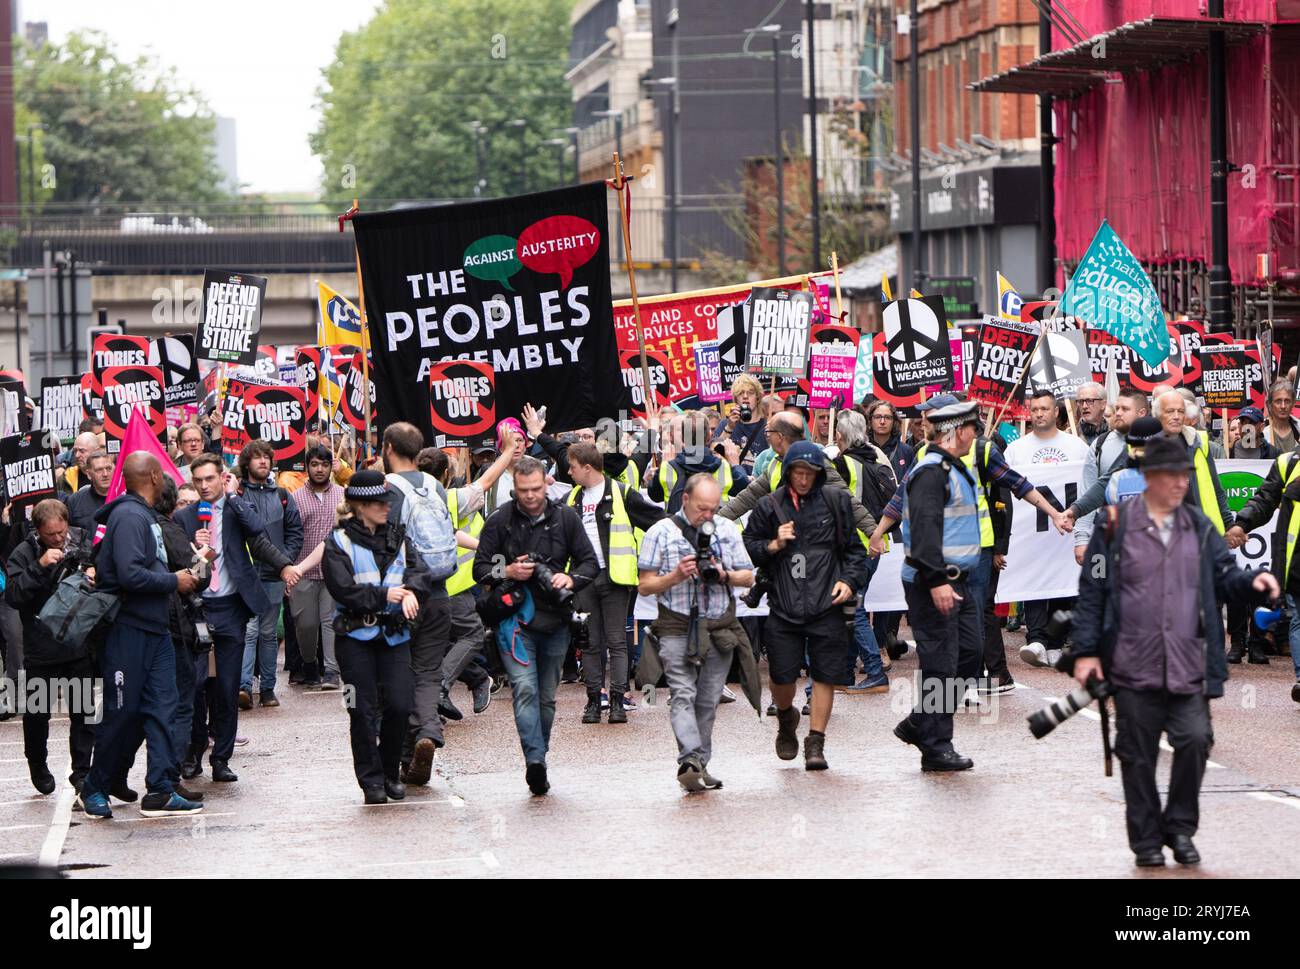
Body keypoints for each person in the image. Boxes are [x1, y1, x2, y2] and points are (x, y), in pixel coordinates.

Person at [1073, 435, 1278, 867]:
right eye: (1173, 476)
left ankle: (1180, 828)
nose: (1182, 484)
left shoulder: (1199, 526)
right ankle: (1146, 840)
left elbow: (1223, 577)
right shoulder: (1114, 525)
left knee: (1196, 738)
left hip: (1188, 659)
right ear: (1150, 478)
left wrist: (1253, 583)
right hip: (1131, 660)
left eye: (1185, 475)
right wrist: (1087, 652)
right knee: (1137, 752)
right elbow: (1092, 591)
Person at [78, 453, 204, 820]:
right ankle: (95, 787)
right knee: (122, 713)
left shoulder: (144, 516)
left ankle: (161, 791)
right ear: (151, 476)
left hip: (156, 632)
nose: (166, 480)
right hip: (129, 632)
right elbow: (130, 575)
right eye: (161, 474)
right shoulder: (130, 517)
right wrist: (173, 581)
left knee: (164, 709)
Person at [472, 455, 598, 796]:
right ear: (514, 488)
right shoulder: (500, 520)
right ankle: (535, 763)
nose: (530, 496)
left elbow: (590, 562)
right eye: (523, 490)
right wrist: (508, 572)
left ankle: (539, 754)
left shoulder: (566, 518)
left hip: (556, 620)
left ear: (547, 484)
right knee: (524, 691)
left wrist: (569, 579)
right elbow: (479, 568)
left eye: (536, 489)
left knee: (546, 697)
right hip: (514, 620)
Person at [744, 441, 869, 770]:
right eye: (797, 473)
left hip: (826, 604)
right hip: (783, 607)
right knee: (782, 679)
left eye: (809, 473)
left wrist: (849, 580)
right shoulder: (769, 506)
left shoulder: (836, 501)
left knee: (825, 675)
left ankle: (816, 743)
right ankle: (786, 718)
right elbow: (750, 545)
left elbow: (856, 552)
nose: (803, 479)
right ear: (787, 473)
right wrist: (773, 543)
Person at [177, 454, 294, 783]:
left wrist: (231, 496)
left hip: (231, 607)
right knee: (197, 684)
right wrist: (195, 551)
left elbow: (258, 532)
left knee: (227, 687)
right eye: (198, 480)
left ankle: (222, 758)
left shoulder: (235, 507)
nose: (203, 486)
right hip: (198, 608)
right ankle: (195, 748)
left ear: (221, 477)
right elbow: (183, 567)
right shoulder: (185, 517)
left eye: (209, 479)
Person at [323, 471, 434, 804]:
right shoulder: (338, 542)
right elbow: (344, 589)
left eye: (386, 502)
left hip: (394, 637)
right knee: (361, 709)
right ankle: (370, 780)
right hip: (355, 638)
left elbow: (419, 572)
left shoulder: (398, 537)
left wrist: (413, 590)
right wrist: (387, 595)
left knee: (400, 705)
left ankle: (389, 772)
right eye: (377, 503)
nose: (386, 508)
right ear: (359, 506)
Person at [638, 474, 754, 791]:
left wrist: (723, 574)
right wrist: (675, 576)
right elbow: (645, 585)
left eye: (714, 508)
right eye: (703, 508)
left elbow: (748, 577)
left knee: (708, 700)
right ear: (685, 499)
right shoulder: (660, 532)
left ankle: (700, 763)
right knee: (683, 693)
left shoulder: (727, 529)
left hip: (719, 627)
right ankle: (689, 759)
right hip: (676, 625)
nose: (709, 515)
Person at [892, 400, 984, 772]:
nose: (975, 435)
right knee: (940, 667)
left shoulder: (952, 467)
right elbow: (925, 533)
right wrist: (935, 582)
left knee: (970, 654)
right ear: (958, 431)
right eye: (972, 428)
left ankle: (919, 722)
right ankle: (936, 746)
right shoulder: (932, 472)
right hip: (934, 583)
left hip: (957, 581)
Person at [565, 441, 665, 723]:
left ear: (587, 468)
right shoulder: (572, 498)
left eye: (572, 467)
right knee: (590, 643)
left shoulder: (622, 493)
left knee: (616, 641)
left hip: (616, 579)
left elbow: (657, 521)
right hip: (584, 581)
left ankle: (618, 701)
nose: (569, 473)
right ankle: (594, 701)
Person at [379, 422, 455, 786]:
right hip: (439, 592)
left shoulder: (387, 489)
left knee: (397, 677)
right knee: (427, 673)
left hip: (403, 595)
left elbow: (382, 545)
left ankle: (405, 750)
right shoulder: (435, 485)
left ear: (389, 447)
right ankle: (422, 740)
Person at [419, 441, 516, 718]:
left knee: (436, 643)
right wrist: (508, 451)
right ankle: (442, 687)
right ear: (446, 475)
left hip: (422, 588)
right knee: (471, 635)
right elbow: (486, 481)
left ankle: (445, 694)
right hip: (452, 586)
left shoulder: (410, 498)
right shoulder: (451, 498)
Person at [5, 500, 95, 796]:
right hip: (40, 648)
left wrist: (95, 574)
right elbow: (15, 596)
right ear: (38, 531)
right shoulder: (24, 551)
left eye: (61, 532)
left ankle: (82, 772)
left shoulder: (82, 539)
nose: (57, 538)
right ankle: (38, 765)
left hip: (77, 644)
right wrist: (40, 566)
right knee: (37, 714)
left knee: (82, 712)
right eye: (50, 534)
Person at [1005, 390, 1091, 669]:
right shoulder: (1016, 449)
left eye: (1044, 409)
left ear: (1057, 412)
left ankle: (1055, 641)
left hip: (1065, 527)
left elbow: (1089, 485)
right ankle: (1037, 638)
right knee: (1034, 582)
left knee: (1063, 582)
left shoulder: (1077, 446)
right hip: (1030, 530)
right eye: (1034, 409)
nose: (1039, 414)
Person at [718, 412, 877, 541]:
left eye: (768, 432)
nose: (766, 435)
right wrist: (714, 521)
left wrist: (873, 533)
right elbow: (748, 497)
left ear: (780, 436)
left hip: (818, 546)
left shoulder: (815, 461)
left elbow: (847, 500)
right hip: (787, 545)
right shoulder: (775, 462)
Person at [1225, 437, 1300, 697]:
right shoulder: (1287, 464)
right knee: (1299, 618)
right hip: (1295, 560)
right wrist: (1241, 524)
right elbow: (1264, 501)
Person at [829, 410, 895, 693]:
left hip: (854, 546)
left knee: (852, 610)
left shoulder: (841, 462)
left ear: (840, 435)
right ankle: (844, 673)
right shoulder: (879, 455)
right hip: (876, 544)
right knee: (853, 607)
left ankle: (874, 670)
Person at [237, 440, 304, 709]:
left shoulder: (282, 495)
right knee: (249, 630)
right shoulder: (238, 494)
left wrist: (283, 561)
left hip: (273, 575)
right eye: (256, 458)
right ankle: (243, 686)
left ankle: (267, 689)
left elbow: (295, 532)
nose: (263, 461)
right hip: (247, 575)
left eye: (266, 457)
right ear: (247, 463)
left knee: (267, 633)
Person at [1063, 388, 1151, 563]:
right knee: (1101, 585)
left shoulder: (1160, 444)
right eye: (1117, 408)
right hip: (1108, 538)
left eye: (1125, 409)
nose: (1118, 413)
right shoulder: (1100, 445)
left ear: (1142, 413)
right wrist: (1081, 539)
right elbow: (1089, 490)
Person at [286, 445, 345, 689]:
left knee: (331, 621)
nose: (319, 469)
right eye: (314, 464)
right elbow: (289, 533)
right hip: (303, 571)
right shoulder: (295, 497)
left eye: (324, 464)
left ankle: (332, 671)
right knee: (306, 624)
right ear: (307, 467)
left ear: (331, 467)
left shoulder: (343, 495)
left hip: (334, 571)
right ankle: (309, 663)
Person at [1152, 389, 1232, 534]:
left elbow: (1216, 489)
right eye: (1170, 411)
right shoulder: (1142, 447)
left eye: (1181, 411)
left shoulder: (1199, 442)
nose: (1176, 416)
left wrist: (1230, 525)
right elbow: (1109, 483)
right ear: (1157, 415)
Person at [650, 411, 749, 514]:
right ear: (709, 435)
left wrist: (664, 467)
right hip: (717, 526)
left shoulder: (668, 466)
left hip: (678, 527)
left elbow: (655, 495)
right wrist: (735, 465)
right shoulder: (722, 466)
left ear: (683, 437)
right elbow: (745, 490)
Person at [712, 374, 767, 470]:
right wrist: (729, 428)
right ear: (735, 398)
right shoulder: (726, 424)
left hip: (758, 482)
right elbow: (714, 455)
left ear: (757, 397)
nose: (745, 396)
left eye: (750, 393)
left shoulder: (766, 425)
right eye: (741, 393)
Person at [64, 449, 113, 538]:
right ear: (89, 474)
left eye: (109, 468)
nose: (105, 474)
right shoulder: (75, 501)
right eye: (99, 470)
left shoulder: (124, 498)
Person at [865, 399, 916, 482]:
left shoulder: (906, 451)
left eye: (887, 417)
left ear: (894, 421)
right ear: (870, 420)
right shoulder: (863, 450)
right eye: (877, 417)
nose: (882, 422)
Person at [1262, 380, 1299, 456]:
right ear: (1270, 404)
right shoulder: (1260, 430)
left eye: (1287, 401)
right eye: (1278, 401)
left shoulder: (1298, 428)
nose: (1283, 406)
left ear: (1293, 403)